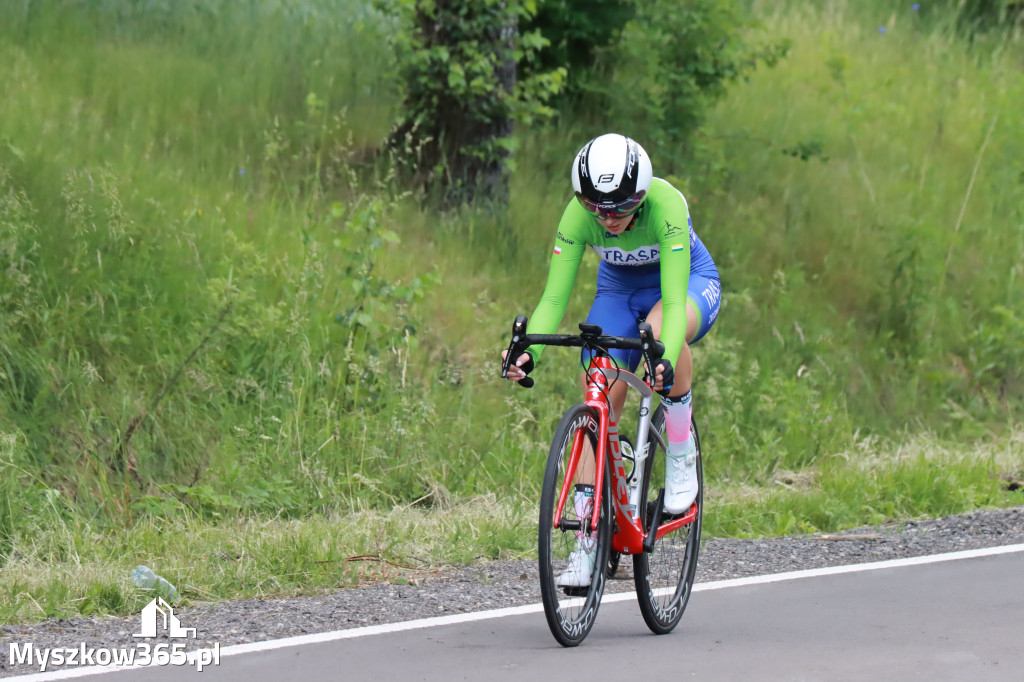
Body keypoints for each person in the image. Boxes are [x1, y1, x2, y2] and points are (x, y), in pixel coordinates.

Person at [502, 133, 721, 587]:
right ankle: (587, 542)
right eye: (596, 208)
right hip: (618, 291)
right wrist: (529, 352)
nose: (607, 218)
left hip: (683, 285)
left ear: (640, 197)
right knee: (598, 390)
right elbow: (553, 298)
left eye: (619, 208)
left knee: (663, 336)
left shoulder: (667, 205)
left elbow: (676, 303)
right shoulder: (576, 215)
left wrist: (658, 359)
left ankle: (680, 451)